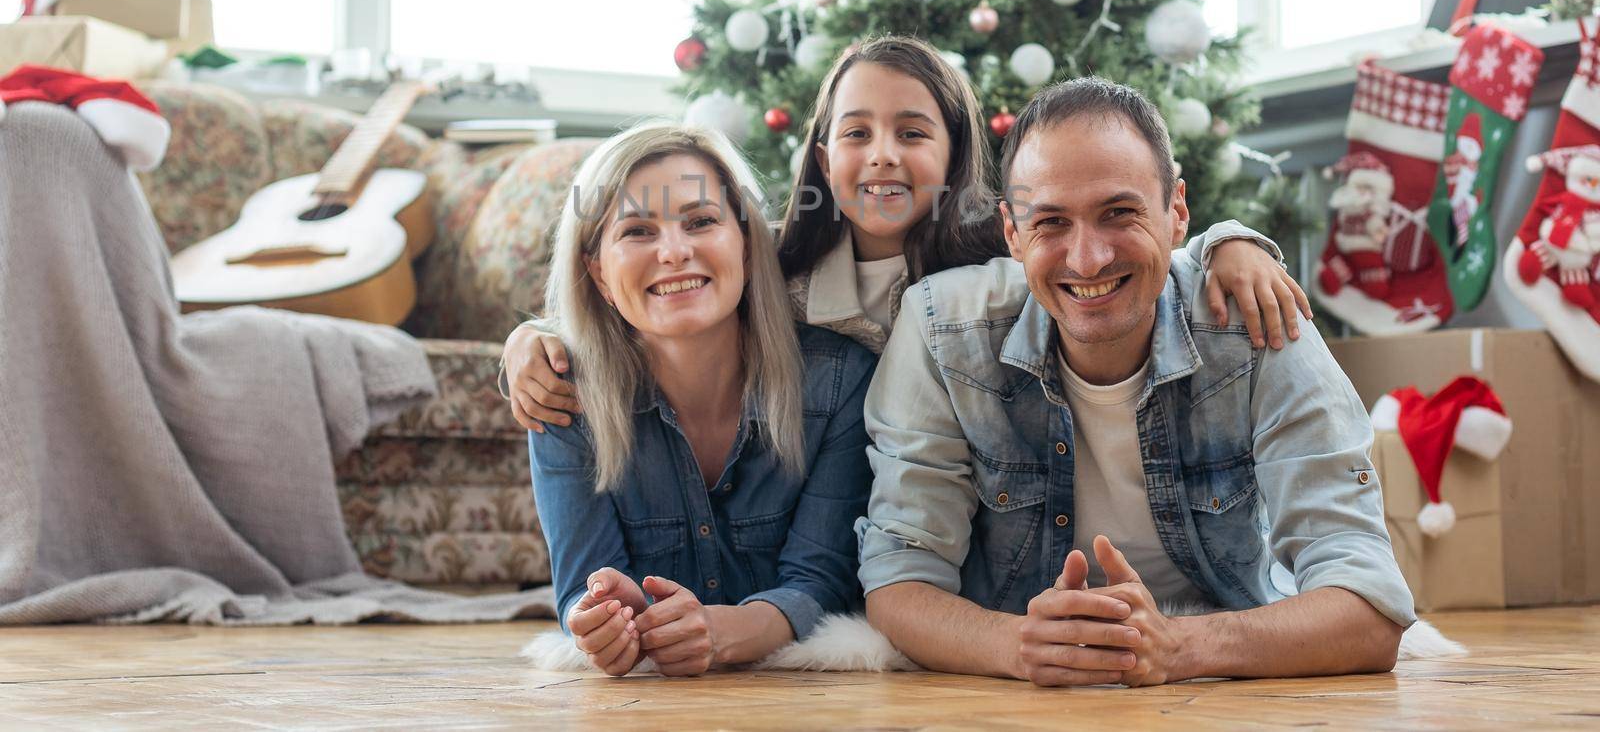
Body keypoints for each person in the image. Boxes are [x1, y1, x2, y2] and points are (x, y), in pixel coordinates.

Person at [859, 78, 1414, 687]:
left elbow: (1369, 607)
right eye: (1050, 223)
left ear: (1176, 211)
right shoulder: (943, 329)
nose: (1088, 258)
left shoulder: (1257, 316)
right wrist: (1016, 645)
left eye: (1118, 213)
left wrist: (1179, 647)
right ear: (1013, 234)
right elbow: (900, 582)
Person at [504, 37, 1310, 427]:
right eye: (856, 133)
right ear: (823, 154)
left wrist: (1232, 240)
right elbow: (657, 302)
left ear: (957, 152)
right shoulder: (773, 271)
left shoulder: (1004, 263)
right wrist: (532, 341)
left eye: (913, 133)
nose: (882, 156)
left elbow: (1117, 249)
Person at [528, 123, 876, 676]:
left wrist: (720, 632)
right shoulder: (562, 397)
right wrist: (606, 622)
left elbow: (820, 579)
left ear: (744, 240)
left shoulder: (839, 381)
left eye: (701, 221)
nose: (674, 252)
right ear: (598, 272)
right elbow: (579, 590)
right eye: (638, 231)